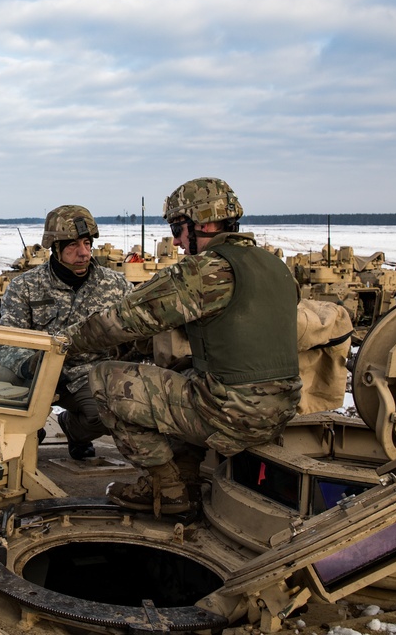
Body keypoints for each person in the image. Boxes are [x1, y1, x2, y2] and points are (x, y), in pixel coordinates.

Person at [63, 178, 302, 515]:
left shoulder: (204, 271)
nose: (175, 241)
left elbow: (122, 319)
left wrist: (66, 343)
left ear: (203, 222)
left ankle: (166, 488)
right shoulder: (277, 268)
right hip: (280, 409)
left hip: (231, 414)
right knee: (180, 373)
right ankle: (187, 473)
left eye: (179, 228)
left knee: (105, 378)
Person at [0, 205, 132, 459]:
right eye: (72, 246)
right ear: (55, 249)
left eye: (87, 243)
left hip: (84, 375)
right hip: (34, 371)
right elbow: (5, 341)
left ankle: (73, 429)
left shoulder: (116, 286)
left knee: (109, 413)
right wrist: (27, 366)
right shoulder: (25, 286)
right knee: (0, 382)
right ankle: (25, 432)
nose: (83, 253)